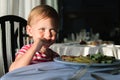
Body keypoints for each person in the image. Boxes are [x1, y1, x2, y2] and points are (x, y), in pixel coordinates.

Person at [9, 5, 60, 71]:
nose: (48, 35)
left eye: (53, 30)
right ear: (30, 31)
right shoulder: (26, 50)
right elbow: (13, 70)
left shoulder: (54, 56)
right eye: (42, 29)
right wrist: (34, 49)